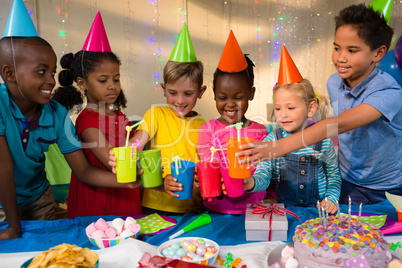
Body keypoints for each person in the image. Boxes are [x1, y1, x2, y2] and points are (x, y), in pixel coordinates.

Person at [238, 4, 401, 205]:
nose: (340, 57)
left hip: (386, 188)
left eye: (352, 50)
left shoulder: (388, 92)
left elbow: (338, 124)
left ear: (378, 54)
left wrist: (278, 147)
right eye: (336, 48)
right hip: (348, 180)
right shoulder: (334, 82)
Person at [0, 15, 140, 241]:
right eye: (41, 71)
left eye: (52, 72)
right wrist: (13, 227)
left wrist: (131, 181)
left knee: (43, 249)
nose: (51, 80)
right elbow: (3, 168)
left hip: (38, 197)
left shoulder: (57, 113)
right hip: (1, 201)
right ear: (9, 74)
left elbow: (83, 171)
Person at [52, 12, 142, 218]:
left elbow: (133, 149)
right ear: (82, 83)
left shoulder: (119, 115)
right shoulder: (87, 119)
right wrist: (140, 141)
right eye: (103, 80)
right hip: (101, 197)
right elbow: (113, 160)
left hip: (125, 194)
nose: (112, 86)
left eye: (116, 79)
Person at [110, 23, 207, 216]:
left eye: (188, 93)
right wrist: (124, 156)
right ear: (163, 89)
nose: (180, 100)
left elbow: (206, 163)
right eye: (172, 93)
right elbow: (137, 143)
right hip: (155, 206)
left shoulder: (204, 125)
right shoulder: (156, 114)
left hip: (193, 207)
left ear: (200, 92)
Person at [243, 45, 341, 213]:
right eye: (278, 108)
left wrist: (331, 198)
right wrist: (250, 182)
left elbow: (333, 176)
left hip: (317, 213)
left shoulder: (323, 141)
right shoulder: (271, 141)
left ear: (310, 108)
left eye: (290, 108)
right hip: (284, 213)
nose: (282, 115)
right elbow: (263, 177)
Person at [197, 31, 268, 214]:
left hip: (254, 210)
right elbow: (209, 165)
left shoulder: (262, 132)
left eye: (238, 97)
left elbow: (266, 172)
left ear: (251, 94)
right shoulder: (208, 129)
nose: (229, 104)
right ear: (214, 94)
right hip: (216, 210)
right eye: (222, 97)